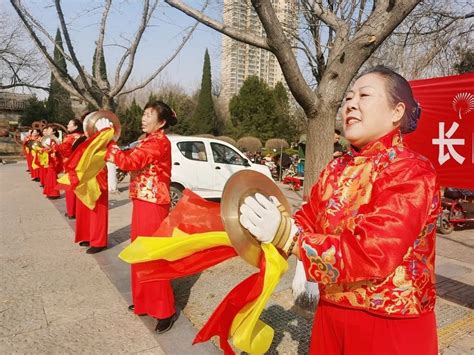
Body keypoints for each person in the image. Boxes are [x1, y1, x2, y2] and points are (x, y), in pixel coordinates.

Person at [239, 65, 439, 354]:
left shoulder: (411, 171)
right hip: (331, 313)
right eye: (348, 98)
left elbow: (373, 251)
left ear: (397, 112)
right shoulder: (337, 166)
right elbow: (308, 217)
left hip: (389, 323)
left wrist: (291, 239)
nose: (351, 104)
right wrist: (271, 220)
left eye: (364, 95)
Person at [105, 100, 178, 333]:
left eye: (149, 115)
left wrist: (110, 146)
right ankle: (144, 302)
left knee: (153, 256)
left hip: (154, 204)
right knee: (140, 252)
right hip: (143, 202)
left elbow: (130, 162)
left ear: (162, 122)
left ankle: (165, 310)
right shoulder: (147, 140)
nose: (144, 118)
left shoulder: (159, 142)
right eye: (144, 114)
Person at [51, 119, 84, 218]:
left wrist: (54, 144)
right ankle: (78, 211)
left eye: (69, 124)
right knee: (79, 188)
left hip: (70, 164)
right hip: (81, 164)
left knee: (69, 188)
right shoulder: (84, 136)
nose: (67, 125)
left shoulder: (70, 137)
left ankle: (71, 212)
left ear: (76, 126)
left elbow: (64, 150)